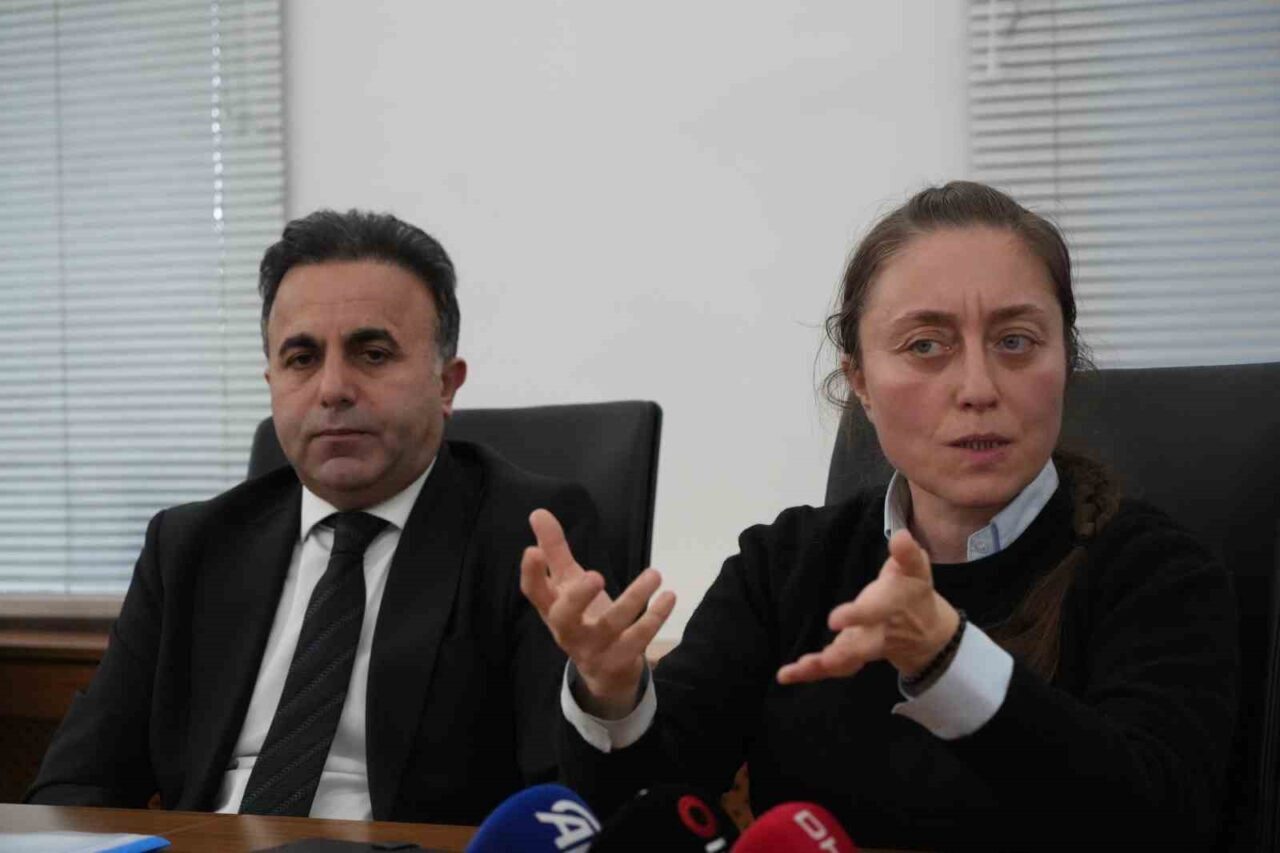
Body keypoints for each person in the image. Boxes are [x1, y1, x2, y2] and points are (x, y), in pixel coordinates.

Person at [521, 182, 1239, 850]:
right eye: (926, 346)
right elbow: (653, 814)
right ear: (859, 380)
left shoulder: (1157, 574)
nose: (978, 387)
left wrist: (948, 659)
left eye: (1015, 341)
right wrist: (611, 695)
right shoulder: (785, 565)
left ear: (1066, 361)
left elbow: (1162, 822)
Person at [27, 210, 601, 825]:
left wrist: (606, 697)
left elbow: (569, 805)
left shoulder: (527, 539)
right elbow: (76, 783)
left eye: (373, 354)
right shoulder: (190, 546)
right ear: (271, 381)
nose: (332, 389)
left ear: (446, 384)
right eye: (301, 358)